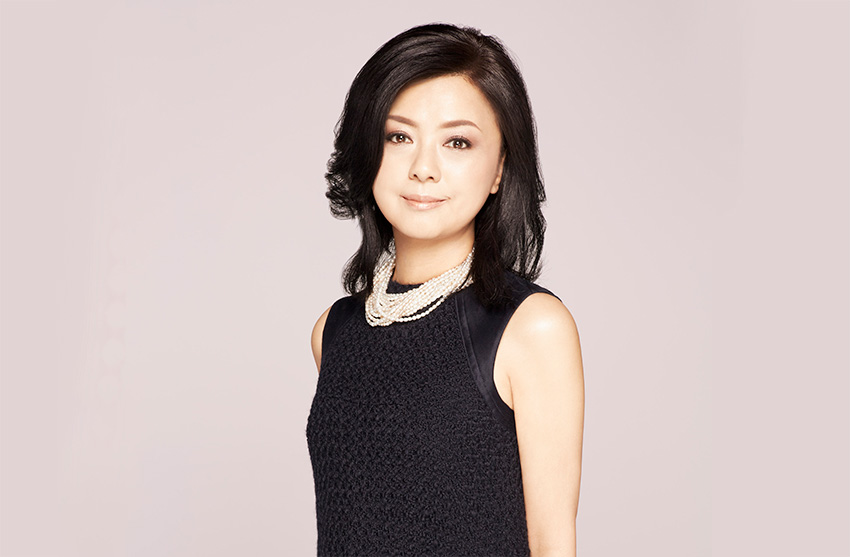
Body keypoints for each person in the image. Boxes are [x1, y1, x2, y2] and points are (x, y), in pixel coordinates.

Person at [306, 23, 584, 557]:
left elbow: (553, 544)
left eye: (457, 142)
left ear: (499, 169)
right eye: (398, 136)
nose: (423, 169)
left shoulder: (531, 328)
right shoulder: (333, 332)